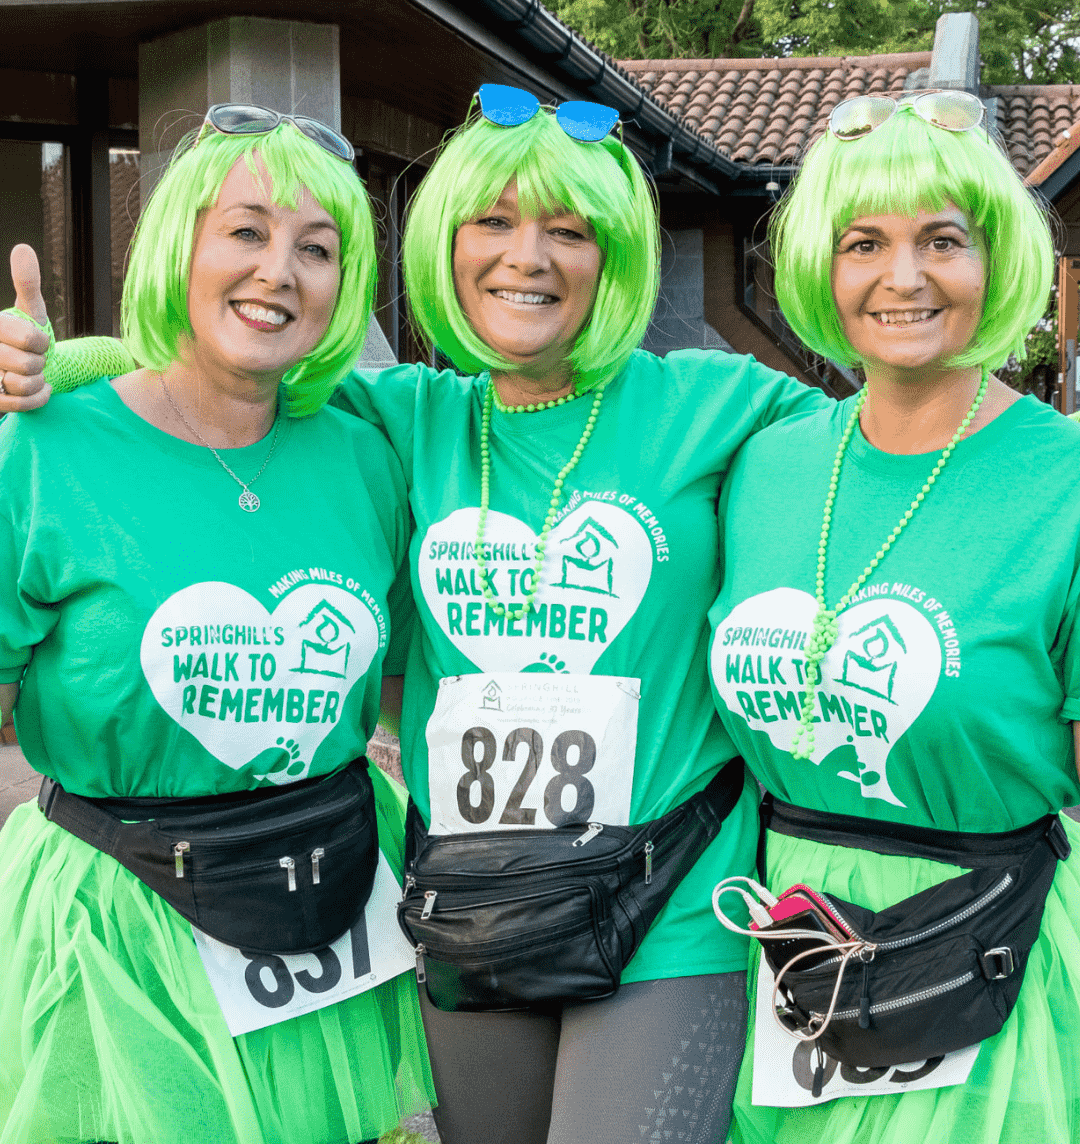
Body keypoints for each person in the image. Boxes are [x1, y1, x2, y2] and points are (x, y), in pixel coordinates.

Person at [0, 88, 833, 1144]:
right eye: (492, 221)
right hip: (468, 902)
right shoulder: (400, 419)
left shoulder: (713, 401)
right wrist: (60, 363)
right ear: (444, 244)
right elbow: (217, 379)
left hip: (664, 896)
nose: (525, 257)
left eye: (568, 231)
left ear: (613, 255)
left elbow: (881, 442)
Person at [0, 109, 434, 1143]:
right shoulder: (47, 446)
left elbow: (398, 676)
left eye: (317, 249)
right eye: (246, 231)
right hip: (124, 919)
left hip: (325, 892)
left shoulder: (365, 455)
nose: (279, 271)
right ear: (177, 248)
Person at [707, 91, 1080, 1143]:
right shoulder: (766, 465)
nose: (903, 276)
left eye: (943, 240)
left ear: (995, 260)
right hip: (778, 951)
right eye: (864, 240)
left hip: (986, 955)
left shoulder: (1066, 481)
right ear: (824, 264)